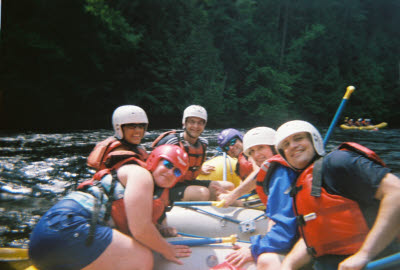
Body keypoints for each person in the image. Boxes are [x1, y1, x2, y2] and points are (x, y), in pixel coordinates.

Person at [29, 144, 192, 270]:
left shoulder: (148, 187)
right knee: (142, 258)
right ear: (154, 160)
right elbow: (140, 229)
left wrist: (160, 230)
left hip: (44, 240)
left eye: (177, 172)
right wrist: (166, 249)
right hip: (68, 228)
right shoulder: (141, 175)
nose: (170, 172)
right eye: (167, 164)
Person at [273, 120, 400, 270]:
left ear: (314, 140)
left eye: (299, 138)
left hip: (373, 263)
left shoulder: (339, 161)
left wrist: (364, 254)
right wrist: (288, 265)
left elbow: (396, 192)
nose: (292, 146)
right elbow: (314, 238)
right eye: (286, 145)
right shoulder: (300, 185)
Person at [219, 126, 301, 269]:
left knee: (265, 260)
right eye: (252, 151)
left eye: (261, 148)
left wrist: (254, 249)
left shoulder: (281, 174)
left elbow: (284, 231)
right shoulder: (278, 169)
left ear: (274, 147)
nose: (256, 155)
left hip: (302, 241)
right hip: (297, 236)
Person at [152, 105, 234, 201]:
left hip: (186, 183)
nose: (196, 126)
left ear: (204, 125)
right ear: (184, 123)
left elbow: (191, 166)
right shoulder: (172, 141)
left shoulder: (203, 143)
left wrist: (200, 169)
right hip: (165, 189)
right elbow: (152, 166)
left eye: (200, 123)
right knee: (203, 193)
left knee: (228, 186)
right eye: (192, 122)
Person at [87, 105, 149, 171]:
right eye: (131, 126)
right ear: (118, 128)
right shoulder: (119, 155)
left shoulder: (134, 147)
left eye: (141, 126)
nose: (138, 131)